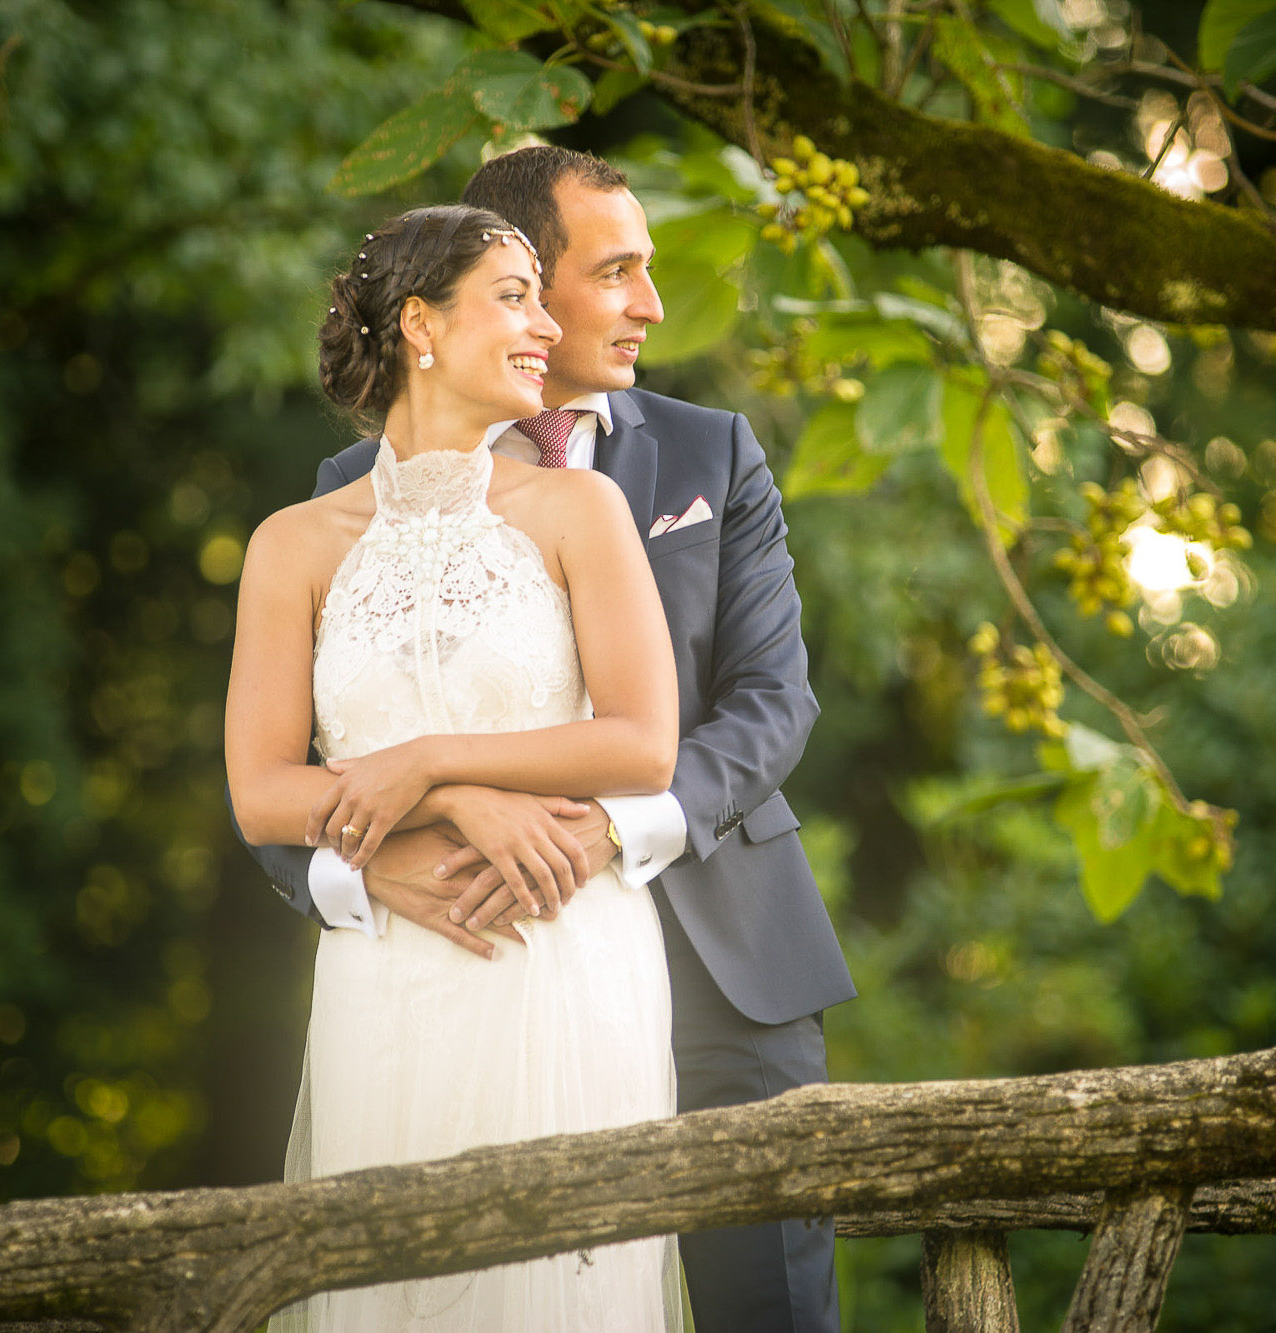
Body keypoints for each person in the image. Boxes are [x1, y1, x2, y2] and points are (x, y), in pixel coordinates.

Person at [235, 147, 855, 1333]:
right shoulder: (332, 508)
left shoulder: (705, 453)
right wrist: (367, 868)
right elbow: (298, 768)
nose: (648, 304)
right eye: (614, 271)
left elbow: (772, 701)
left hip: (724, 957)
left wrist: (604, 830)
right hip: (442, 951)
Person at [226, 203, 683, 1329]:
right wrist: (448, 794)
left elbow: (641, 741)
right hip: (391, 970)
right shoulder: (292, 544)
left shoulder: (582, 507)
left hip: (557, 949)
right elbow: (261, 790)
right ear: (421, 324)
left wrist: (426, 759)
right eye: (514, 296)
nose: (547, 326)